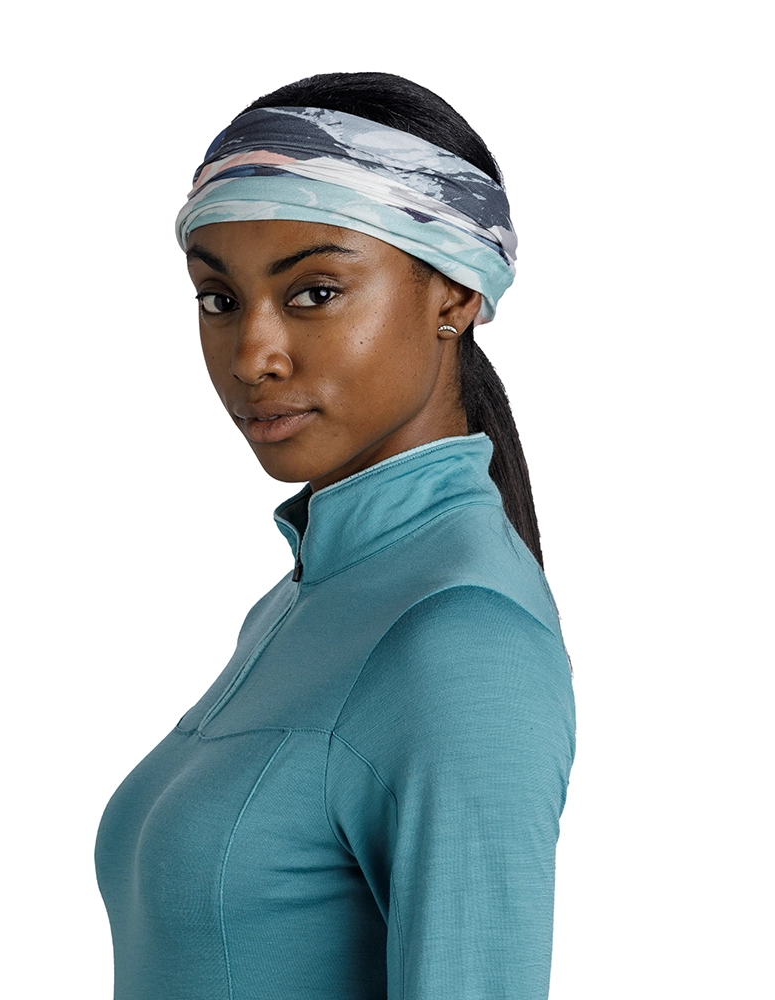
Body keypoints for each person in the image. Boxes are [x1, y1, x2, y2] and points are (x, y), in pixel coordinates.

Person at [95, 72, 576, 1000]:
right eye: (218, 299)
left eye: (314, 292)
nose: (253, 356)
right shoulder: (303, 600)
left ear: (454, 295)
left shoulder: (462, 636)